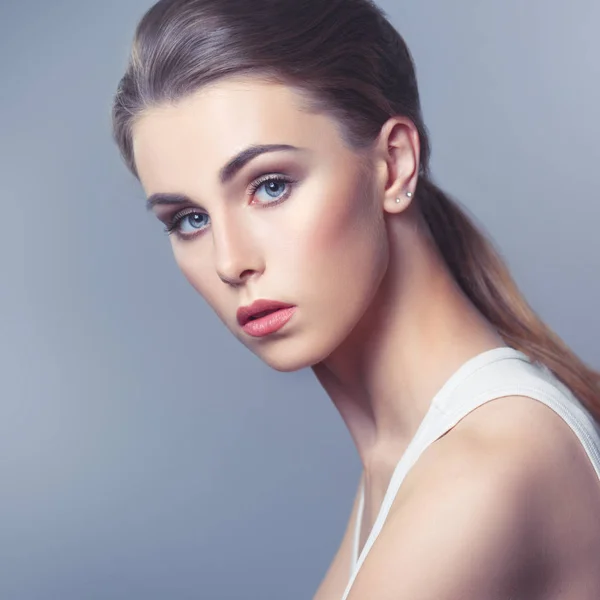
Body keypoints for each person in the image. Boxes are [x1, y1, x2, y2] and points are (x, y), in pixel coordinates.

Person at [111, 0, 600, 597]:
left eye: (270, 185)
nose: (229, 260)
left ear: (393, 164)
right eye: (188, 219)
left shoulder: (482, 471)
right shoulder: (409, 451)